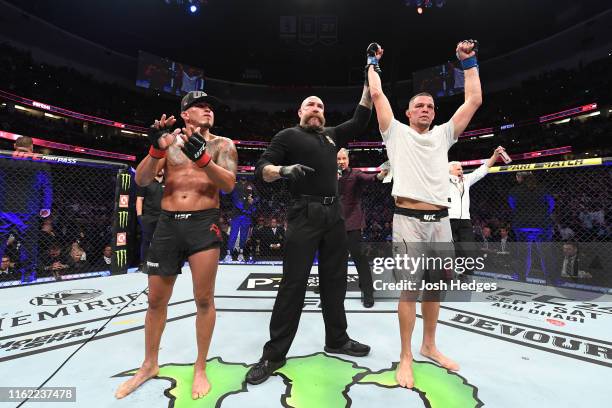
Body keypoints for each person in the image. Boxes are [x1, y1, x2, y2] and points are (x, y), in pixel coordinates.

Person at [367, 40, 482, 388]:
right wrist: (372, 60)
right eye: (419, 105)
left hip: (441, 222)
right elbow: (377, 95)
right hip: (407, 221)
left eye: (430, 106)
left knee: (435, 289)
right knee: (408, 291)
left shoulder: (444, 135)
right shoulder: (395, 133)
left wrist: (469, 62)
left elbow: (473, 100)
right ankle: (405, 356)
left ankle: (429, 345)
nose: (426, 110)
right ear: (408, 112)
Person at [246, 82, 374, 385]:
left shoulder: (332, 136)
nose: (315, 109)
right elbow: (260, 167)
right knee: (293, 284)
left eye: (320, 106)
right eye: (310, 105)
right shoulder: (288, 136)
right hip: (303, 214)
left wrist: (370, 83)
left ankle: (337, 339)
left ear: (324, 114)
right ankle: (274, 354)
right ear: (300, 112)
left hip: (334, 214)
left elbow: (360, 119)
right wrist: (283, 171)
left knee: (335, 281)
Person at [115, 91, 238, 400]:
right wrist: (156, 149)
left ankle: (200, 367)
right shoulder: (169, 144)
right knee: (156, 301)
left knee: (204, 300)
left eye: (211, 106)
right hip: (168, 224)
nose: (208, 110)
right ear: (185, 114)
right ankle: (149, 364)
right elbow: (143, 180)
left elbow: (228, 184)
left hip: (203, 222)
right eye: (201, 106)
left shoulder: (223, 145)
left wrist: (203, 159)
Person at [337, 148, 388, 307]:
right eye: (338, 159)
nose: (341, 162)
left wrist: (380, 175)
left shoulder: (355, 173)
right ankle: (328, 286)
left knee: (359, 258)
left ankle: (368, 291)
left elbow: (370, 178)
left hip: (352, 222)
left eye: (343, 158)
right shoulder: (330, 175)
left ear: (348, 159)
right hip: (334, 222)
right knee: (333, 259)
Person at [0, 136, 52, 282]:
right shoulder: (40, 163)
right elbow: (46, 187)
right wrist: (46, 207)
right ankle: (28, 276)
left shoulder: (3, 158)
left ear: (15, 145)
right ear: (32, 147)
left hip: (4, 207)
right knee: (28, 244)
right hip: (28, 209)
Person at [448, 146, 505, 274]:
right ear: (449, 171)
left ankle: (466, 274)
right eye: (458, 169)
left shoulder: (466, 180)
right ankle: (445, 274)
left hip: (465, 220)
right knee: (449, 249)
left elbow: (482, 170)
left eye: (462, 168)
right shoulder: (442, 181)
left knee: (468, 249)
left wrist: (495, 155)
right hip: (449, 219)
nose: (461, 171)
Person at [136, 166, 164, 268]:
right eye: (159, 168)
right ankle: (143, 263)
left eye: (162, 168)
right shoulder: (146, 181)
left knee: (164, 240)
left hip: (164, 217)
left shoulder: (168, 182)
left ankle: (161, 262)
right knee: (146, 240)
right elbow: (140, 199)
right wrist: (139, 216)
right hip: (149, 216)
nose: (161, 170)